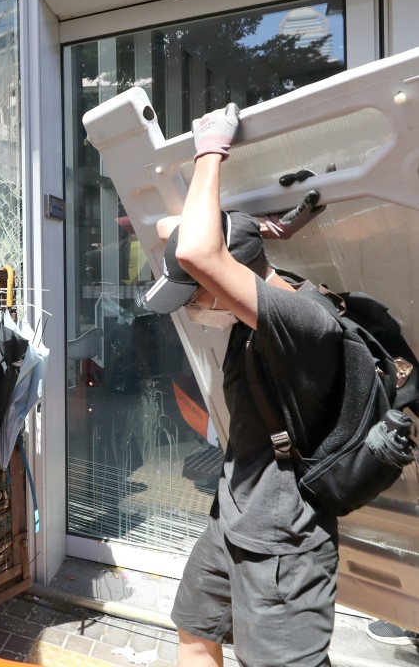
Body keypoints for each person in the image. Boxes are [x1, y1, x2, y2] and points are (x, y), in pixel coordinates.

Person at [143, 105, 343, 666]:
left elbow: (196, 252)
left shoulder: (306, 321)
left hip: (283, 542)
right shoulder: (252, 314)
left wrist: (211, 150)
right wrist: (253, 226)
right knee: (192, 630)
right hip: (234, 514)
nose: (192, 309)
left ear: (228, 277)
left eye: (196, 294)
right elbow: (172, 233)